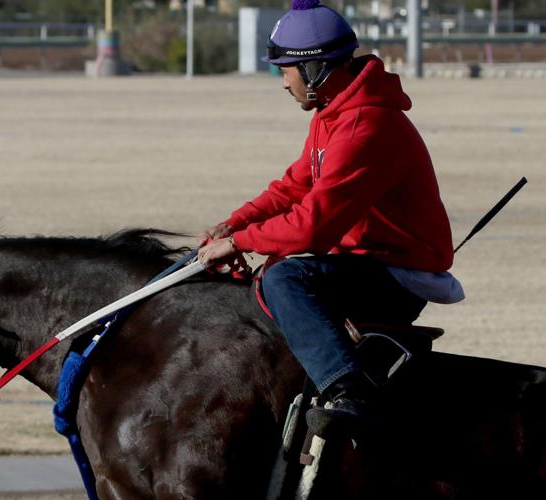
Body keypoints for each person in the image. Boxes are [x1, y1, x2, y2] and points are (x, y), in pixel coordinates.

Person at [196, 0, 464, 440]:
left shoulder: (366, 126)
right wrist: (233, 225)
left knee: (283, 280)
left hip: (398, 276)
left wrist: (242, 242)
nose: (282, 83)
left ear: (315, 69)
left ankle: (350, 393)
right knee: (277, 274)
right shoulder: (333, 113)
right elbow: (294, 187)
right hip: (366, 262)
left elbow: (313, 226)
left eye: (285, 70)